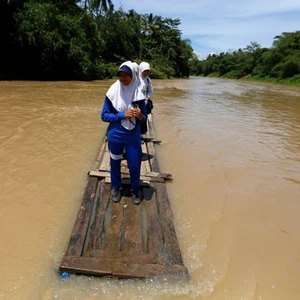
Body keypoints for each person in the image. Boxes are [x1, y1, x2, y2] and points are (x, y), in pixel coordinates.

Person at [101, 61, 147, 205]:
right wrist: (122, 115)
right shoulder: (112, 92)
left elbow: (144, 117)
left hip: (133, 135)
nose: (123, 78)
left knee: (134, 164)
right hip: (115, 134)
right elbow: (104, 115)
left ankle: (135, 190)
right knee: (115, 162)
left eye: (126, 75)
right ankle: (116, 188)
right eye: (120, 75)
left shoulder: (139, 94)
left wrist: (139, 115)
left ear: (133, 76)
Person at [139, 62, 153, 135]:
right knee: (136, 118)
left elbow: (150, 90)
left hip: (145, 102)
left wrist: (147, 97)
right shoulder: (136, 79)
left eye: (148, 71)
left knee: (144, 118)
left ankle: (141, 134)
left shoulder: (148, 80)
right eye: (145, 71)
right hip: (137, 102)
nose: (146, 73)